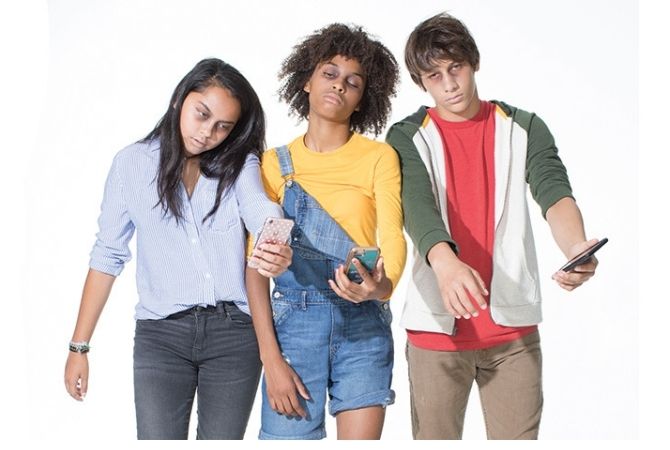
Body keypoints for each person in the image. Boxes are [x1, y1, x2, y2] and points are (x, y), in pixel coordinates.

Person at [385, 13, 599, 440]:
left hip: (513, 335)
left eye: (456, 68)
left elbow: (554, 192)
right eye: (434, 75)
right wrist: (446, 265)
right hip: (436, 337)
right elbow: (417, 208)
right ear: (420, 81)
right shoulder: (407, 136)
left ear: (474, 62)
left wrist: (577, 247)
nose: (449, 84)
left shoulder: (524, 127)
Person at [63, 58, 293, 440]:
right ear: (179, 101)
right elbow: (107, 256)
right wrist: (79, 346)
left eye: (223, 126)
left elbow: (261, 209)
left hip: (234, 335)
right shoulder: (131, 164)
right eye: (201, 114)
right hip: (161, 336)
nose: (207, 133)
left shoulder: (240, 163)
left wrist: (276, 241)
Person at [245, 23, 406, 440]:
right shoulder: (273, 164)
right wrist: (271, 360)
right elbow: (256, 266)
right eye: (330, 74)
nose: (339, 86)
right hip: (294, 331)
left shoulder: (379, 157)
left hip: (363, 325)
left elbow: (392, 235)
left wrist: (380, 287)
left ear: (361, 99)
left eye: (353, 82)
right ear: (306, 82)